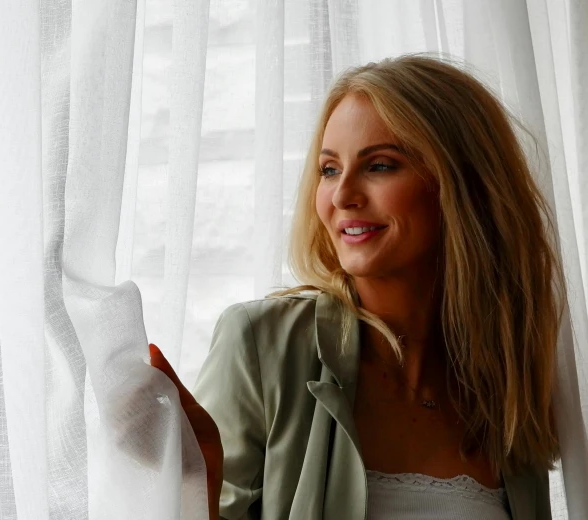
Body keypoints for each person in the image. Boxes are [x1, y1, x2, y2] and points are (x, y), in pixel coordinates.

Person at [150, 54, 564, 519]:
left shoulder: (507, 389)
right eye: (329, 169)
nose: (342, 195)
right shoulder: (264, 345)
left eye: (381, 165)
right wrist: (194, 480)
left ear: (464, 184)